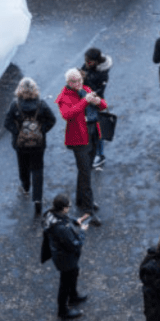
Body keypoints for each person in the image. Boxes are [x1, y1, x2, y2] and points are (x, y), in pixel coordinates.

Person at [55, 68, 106, 225]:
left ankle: (80, 199)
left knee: (85, 170)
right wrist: (85, 101)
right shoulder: (64, 97)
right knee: (86, 174)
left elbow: (104, 106)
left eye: (79, 80)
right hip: (79, 140)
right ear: (68, 83)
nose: (77, 84)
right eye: (73, 81)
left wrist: (98, 101)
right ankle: (88, 210)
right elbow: (68, 114)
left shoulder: (86, 89)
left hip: (92, 136)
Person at [4, 77, 57, 217]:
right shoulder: (41, 105)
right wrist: (41, 130)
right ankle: (37, 199)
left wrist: (18, 132)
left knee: (23, 165)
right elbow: (52, 120)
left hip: (20, 145)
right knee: (37, 169)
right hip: (38, 144)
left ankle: (26, 186)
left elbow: (7, 123)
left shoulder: (15, 106)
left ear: (19, 90)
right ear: (35, 90)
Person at [41, 193, 90, 319]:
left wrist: (76, 220)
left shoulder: (50, 214)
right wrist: (83, 231)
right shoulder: (62, 230)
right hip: (65, 258)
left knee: (74, 272)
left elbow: (64, 218)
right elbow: (76, 245)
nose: (69, 208)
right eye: (68, 206)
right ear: (63, 208)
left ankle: (73, 295)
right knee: (65, 283)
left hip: (60, 254)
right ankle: (62, 310)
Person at [80, 47, 112, 169]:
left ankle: (100, 155)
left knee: (98, 131)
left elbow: (98, 91)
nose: (86, 63)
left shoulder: (103, 74)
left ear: (96, 61)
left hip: (96, 103)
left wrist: (85, 80)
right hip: (85, 102)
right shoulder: (88, 65)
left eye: (88, 61)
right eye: (85, 60)